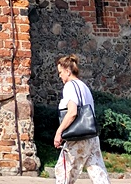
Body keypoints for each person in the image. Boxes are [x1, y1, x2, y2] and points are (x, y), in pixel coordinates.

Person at [53, 54, 110, 184]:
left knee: (64, 171)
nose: (59, 76)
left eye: (60, 72)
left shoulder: (69, 86)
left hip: (78, 136)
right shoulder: (84, 86)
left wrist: (59, 132)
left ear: (68, 71)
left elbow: (72, 112)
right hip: (91, 136)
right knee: (98, 173)